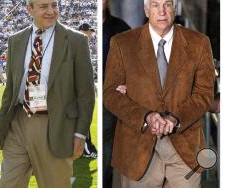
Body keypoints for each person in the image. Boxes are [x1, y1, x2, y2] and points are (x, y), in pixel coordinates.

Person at [103, 0, 215, 187]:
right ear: (146, 10)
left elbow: (204, 94)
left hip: (184, 149)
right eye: (155, 5)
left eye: (167, 4)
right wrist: (146, 117)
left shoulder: (200, 43)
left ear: (174, 8)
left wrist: (175, 119)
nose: (162, 11)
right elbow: (110, 94)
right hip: (137, 149)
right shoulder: (122, 43)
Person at [0, 0, 95, 187]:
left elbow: (86, 94)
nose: (51, 11)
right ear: (29, 9)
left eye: (54, 5)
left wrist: (80, 134)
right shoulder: (15, 40)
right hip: (18, 122)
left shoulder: (76, 40)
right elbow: (11, 89)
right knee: (8, 183)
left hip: (55, 124)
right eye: (44, 6)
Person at [102, 0, 130, 187]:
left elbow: (137, 62)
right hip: (84, 97)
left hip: (111, 102)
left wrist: (127, 83)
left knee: (108, 151)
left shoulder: (121, 28)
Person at [78, 22, 98, 159]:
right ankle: (86, 149)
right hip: (80, 90)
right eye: (88, 32)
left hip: (82, 88)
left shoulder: (81, 44)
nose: (90, 34)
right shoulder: (79, 45)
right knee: (83, 119)